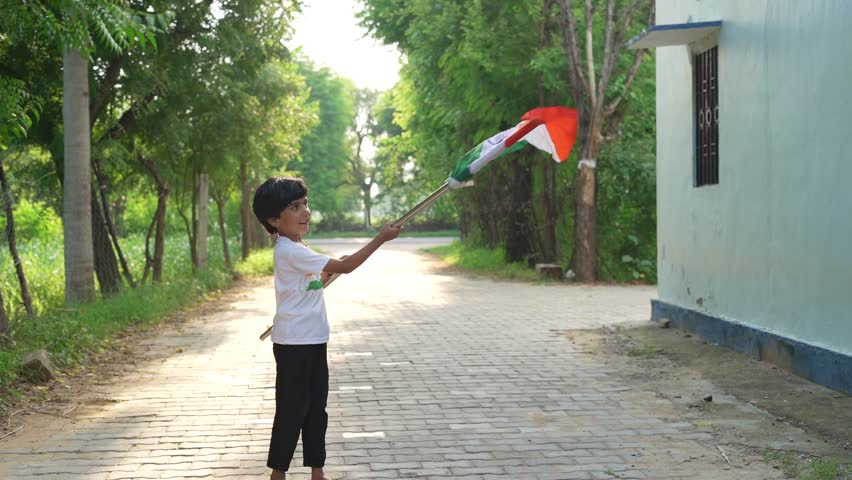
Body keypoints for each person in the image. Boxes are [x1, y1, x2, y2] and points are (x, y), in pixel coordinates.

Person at [251, 176, 402, 480]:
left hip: (314, 339)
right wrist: (379, 239)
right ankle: (277, 474)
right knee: (293, 410)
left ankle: (317, 472)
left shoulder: (297, 245)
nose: (305, 211)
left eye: (305, 203)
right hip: (294, 344)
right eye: (295, 207)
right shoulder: (289, 249)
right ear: (273, 219)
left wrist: (326, 275)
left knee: (316, 409)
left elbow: (311, 284)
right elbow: (345, 267)